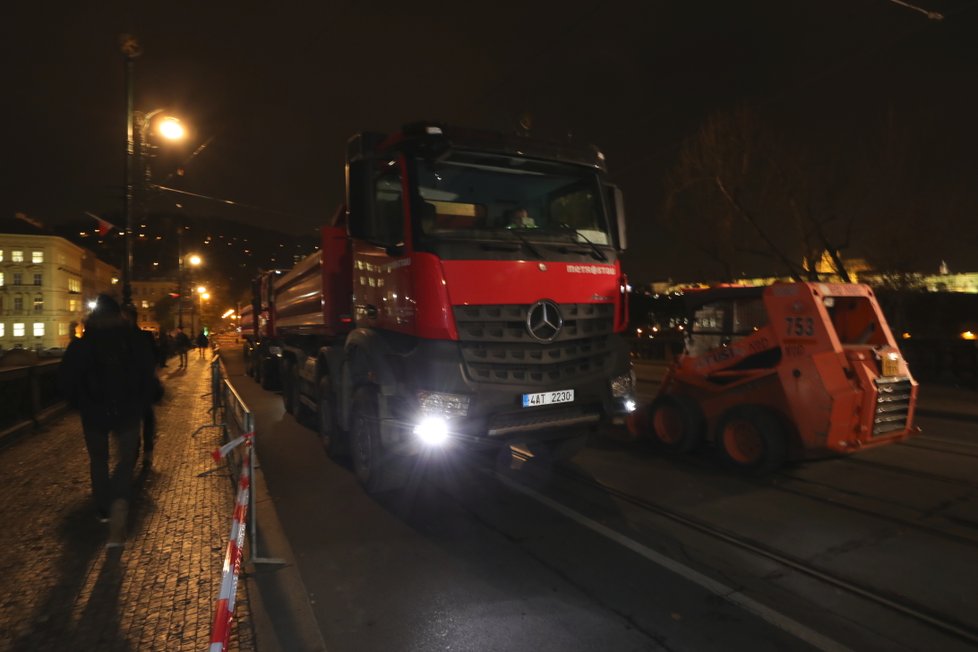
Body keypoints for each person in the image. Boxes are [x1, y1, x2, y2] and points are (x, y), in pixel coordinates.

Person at [58, 294, 159, 547]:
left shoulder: (82, 344)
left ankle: (103, 508)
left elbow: (67, 379)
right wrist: (146, 397)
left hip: (93, 413)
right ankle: (120, 501)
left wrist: (78, 403)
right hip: (127, 411)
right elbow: (147, 371)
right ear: (119, 316)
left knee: (98, 460)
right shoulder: (133, 341)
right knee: (126, 460)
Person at [123, 305, 162, 466]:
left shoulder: (143, 337)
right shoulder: (120, 338)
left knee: (146, 418)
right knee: (133, 420)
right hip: (129, 387)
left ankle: (147, 450)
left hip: (142, 384)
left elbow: (154, 357)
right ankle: (137, 449)